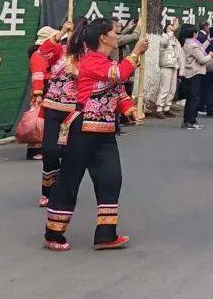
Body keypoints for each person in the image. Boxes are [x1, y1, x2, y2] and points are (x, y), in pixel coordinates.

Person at [43, 19, 149, 252]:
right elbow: (119, 74)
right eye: (114, 32)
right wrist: (136, 52)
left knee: (111, 178)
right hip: (82, 127)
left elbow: (119, 92)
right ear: (103, 37)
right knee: (70, 179)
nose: (117, 35)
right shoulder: (90, 60)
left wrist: (130, 109)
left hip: (105, 129)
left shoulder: (106, 61)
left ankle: (105, 233)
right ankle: (54, 231)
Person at [39, 21, 79, 207]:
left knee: (69, 152)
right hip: (53, 108)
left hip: (73, 112)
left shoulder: (88, 56)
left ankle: (62, 191)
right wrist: (61, 31)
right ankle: (47, 190)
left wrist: (78, 72)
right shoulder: (59, 50)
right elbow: (43, 52)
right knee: (49, 149)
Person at [26, 25, 68, 161]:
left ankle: (44, 148)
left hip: (47, 87)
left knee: (42, 121)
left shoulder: (47, 53)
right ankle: (36, 150)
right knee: (40, 121)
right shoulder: (38, 55)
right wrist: (38, 93)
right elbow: (37, 74)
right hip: (42, 88)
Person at [179, 24, 213, 130]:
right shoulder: (193, 45)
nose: (197, 33)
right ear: (193, 33)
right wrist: (210, 56)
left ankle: (188, 121)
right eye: (196, 32)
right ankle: (190, 121)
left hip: (189, 73)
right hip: (195, 73)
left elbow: (200, 50)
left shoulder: (188, 43)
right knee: (194, 99)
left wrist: (208, 41)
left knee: (191, 98)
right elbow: (202, 59)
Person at [152, 19, 183, 118]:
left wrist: (181, 67)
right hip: (166, 65)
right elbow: (164, 43)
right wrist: (171, 32)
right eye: (169, 26)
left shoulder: (175, 39)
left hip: (174, 65)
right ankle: (159, 108)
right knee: (164, 87)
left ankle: (167, 107)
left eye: (173, 27)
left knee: (172, 89)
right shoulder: (164, 37)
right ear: (165, 28)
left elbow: (179, 53)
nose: (172, 28)